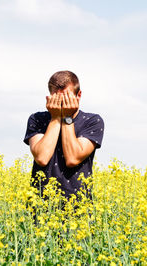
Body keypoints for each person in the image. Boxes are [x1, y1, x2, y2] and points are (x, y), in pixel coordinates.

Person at [23, 70, 104, 199]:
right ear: (49, 98)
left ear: (79, 95)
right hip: (41, 206)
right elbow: (42, 158)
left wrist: (66, 117)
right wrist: (55, 118)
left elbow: (73, 158)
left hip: (79, 206)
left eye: (67, 98)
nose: (62, 103)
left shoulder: (92, 121)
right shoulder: (36, 119)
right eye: (57, 98)